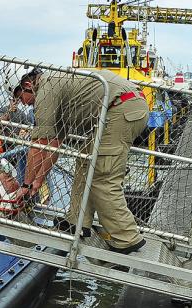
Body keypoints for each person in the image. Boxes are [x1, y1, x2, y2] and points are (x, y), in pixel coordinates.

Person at [8, 65, 149, 254]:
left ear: (27, 85)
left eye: (19, 98)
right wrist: (38, 181)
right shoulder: (54, 87)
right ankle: (77, 221)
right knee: (84, 162)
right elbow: (54, 145)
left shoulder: (46, 91)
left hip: (121, 108)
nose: (22, 104)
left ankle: (126, 238)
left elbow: (39, 144)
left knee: (102, 176)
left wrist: (26, 185)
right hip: (119, 108)